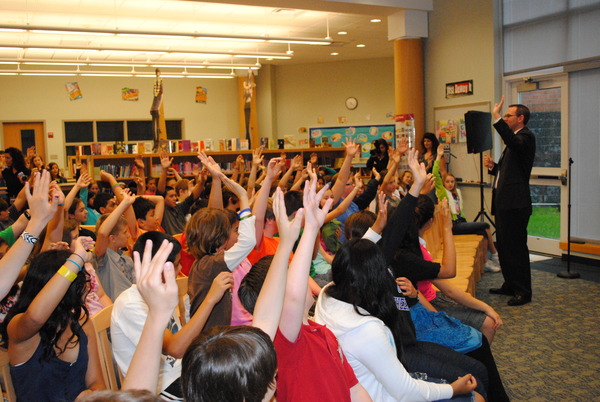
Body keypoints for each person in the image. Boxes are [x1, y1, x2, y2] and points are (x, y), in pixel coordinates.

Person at [3, 237, 106, 401]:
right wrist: (76, 258)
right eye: (79, 280)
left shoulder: (79, 319)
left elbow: (97, 384)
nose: (87, 286)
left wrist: (90, 396)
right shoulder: (20, 326)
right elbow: (36, 318)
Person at [484, 96, 536, 306]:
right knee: (504, 246)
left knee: (516, 248)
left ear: (520, 118)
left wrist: (496, 118)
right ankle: (510, 284)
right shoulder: (515, 141)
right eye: (504, 115)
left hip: (516, 204)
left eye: (508, 115)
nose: (505, 118)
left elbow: (513, 143)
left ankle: (523, 291)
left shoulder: (525, 136)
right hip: (505, 203)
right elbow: (510, 172)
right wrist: (494, 167)